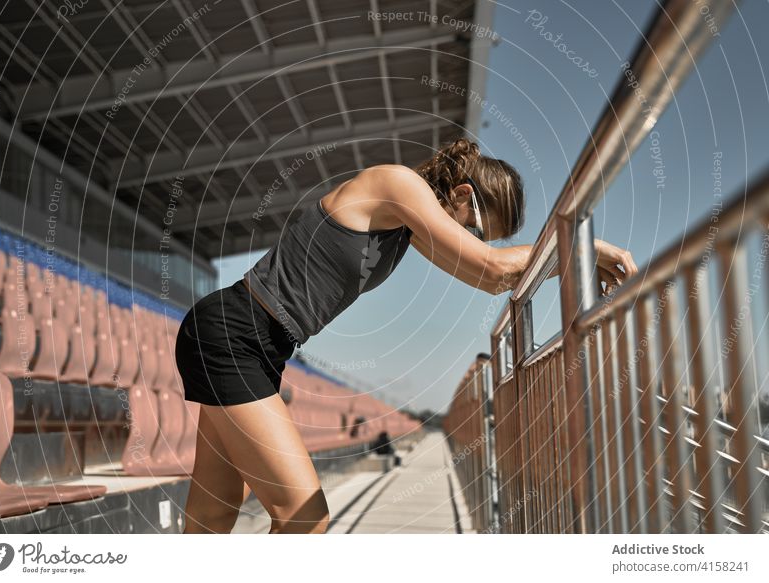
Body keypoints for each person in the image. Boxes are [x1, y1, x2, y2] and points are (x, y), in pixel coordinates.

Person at [175, 138, 638, 534]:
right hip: (234, 333)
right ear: (460, 194)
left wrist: (563, 263)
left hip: (258, 345)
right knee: (303, 516)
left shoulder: (406, 228)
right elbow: (493, 268)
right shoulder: (396, 185)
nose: (471, 239)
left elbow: (491, 276)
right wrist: (583, 244)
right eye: (475, 229)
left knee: (212, 516)